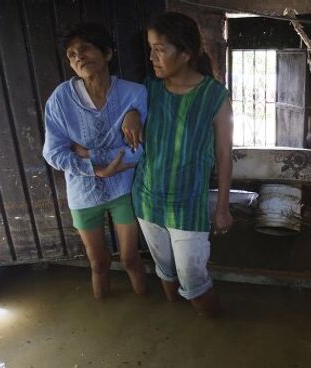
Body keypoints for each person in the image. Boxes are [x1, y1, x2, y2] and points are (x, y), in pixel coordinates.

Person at [123, 12, 233, 317]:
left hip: (188, 206)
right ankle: (177, 327)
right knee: (166, 272)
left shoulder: (214, 96)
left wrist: (222, 207)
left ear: (185, 54)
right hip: (146, 200)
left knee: (195, 282)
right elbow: (123, 105)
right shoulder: (148, 89)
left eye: (160, 49)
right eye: (150, 48)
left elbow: (224, 154)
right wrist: (131, 113)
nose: (152, 57)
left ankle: (220, 335)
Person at [42, 23, 147, 299]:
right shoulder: (60, 100)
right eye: (72, 54)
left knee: (130, 260)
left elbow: (140, 152)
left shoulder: (134, 95)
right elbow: (53, 153)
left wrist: (88, 152)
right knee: (98, 263)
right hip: (82, 194)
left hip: (122, 190)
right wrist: (97, 168)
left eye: (85, 48)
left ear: (108, 54)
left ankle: (149, 313)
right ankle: (104, 317)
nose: (79, 56)